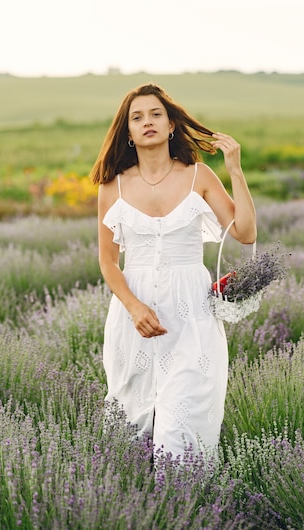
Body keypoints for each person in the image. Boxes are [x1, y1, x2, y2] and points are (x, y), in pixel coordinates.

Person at [90, 83, 256, 462]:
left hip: (191, 316)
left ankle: (189, 506)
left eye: (155, 114)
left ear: (170, 127)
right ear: (128, 132)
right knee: (127, 435)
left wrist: (235, 170)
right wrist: (133, 307)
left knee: (181, 431)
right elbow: (107, 261)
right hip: (133, 321)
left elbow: (246, 233)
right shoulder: (111, 187)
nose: (146, 122)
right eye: (137, 117)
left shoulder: (199, 176)